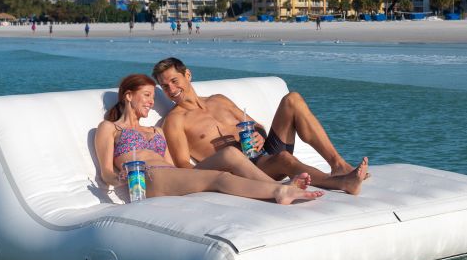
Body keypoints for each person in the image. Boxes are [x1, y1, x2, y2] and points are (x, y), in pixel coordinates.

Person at [94, 74, 323, 205]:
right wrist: (119, 177)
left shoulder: (157, 132)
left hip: (171, 175)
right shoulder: (109, 128)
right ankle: (278, 191)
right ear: (128, 96)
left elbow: (174, 167)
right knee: (219, 178)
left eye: (153, 97)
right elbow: (106, 174)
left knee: (231, 154)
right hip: (146, 178)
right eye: (147, 96)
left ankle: (278, 187)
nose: (151, 102)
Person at [152, 57, 369, 195]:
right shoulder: (175, 120)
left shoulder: (219, 99)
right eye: (164, 86)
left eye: (174, 80)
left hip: (262, 152)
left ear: (187, 75)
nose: (171, 89)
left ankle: (338, 164)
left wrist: (258, 134)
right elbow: (184, 166)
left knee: (292, 99)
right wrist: (220, 177)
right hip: (243, 169)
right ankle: (340, 183)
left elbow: (256, 125)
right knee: (284, 159)